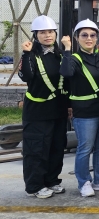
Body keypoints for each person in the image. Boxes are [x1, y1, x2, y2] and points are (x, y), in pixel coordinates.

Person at [60, 19, 99, 197]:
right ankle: (84, 182)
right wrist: (67, 50)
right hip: (85, 113)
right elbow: (67, 73)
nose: (89, 38)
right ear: (77, 38)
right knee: (85, 148)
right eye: (84, 35)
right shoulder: (74, 59)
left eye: (92, 35)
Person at [20, 15, 69, 199]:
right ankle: (35, 185)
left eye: (50, 32)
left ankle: (51, 180)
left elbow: (67, 79)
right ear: (35, 35)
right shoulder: (31, 55)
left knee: (56, 148)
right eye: (42, 32)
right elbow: (26, 77)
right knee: (36, 150)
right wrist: (25, 54)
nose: (47, 35)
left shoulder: (60, 54)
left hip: (58, 110)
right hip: (37, 112)